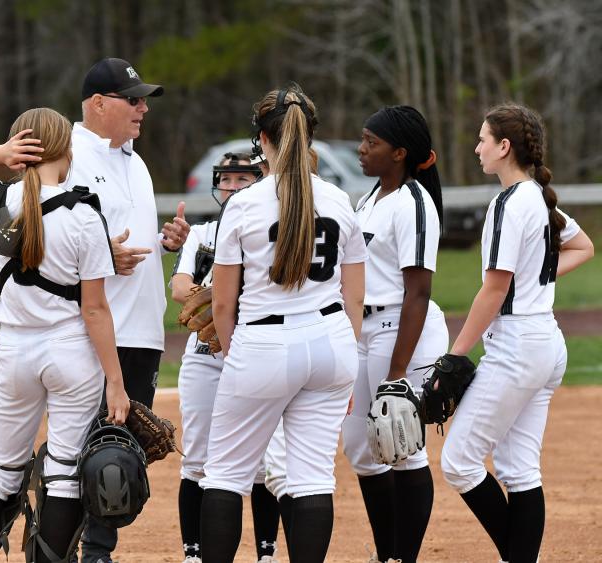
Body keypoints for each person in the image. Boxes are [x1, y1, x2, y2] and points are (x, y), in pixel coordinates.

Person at [0, 107, 130, 563]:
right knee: (65, 475)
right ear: (66, 151)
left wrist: (0, 154)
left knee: (0, 473)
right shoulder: (86, 213)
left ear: (21, 152)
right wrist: (116, 380)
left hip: (14, 350)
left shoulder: (1, 202)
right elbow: (95, 309)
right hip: (70, 352)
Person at [198, 84, 367, 563]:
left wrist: (236, 358)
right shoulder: (338, 199)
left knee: (227, 475)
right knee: (312, 476)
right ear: (309, 138)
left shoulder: (245, 204)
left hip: (264, 340)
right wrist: (348, 357)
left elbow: (224, 304)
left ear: (263, 141)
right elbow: (353, 294)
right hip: (332, 341)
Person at [440, 103, 594, 563]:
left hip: (519, 348)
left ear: (504, 147)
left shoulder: (510, 203)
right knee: (520, 470)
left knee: (459, 462)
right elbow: (583, 247)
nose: (477, 147)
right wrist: (539, 278)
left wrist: (455, 355)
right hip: (546, 343)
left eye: (483, 139)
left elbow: (494, 288)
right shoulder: (538, 199)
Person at [62, 57, 190, 563]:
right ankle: (59, 548)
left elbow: (129, 245)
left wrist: (165, 243)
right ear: (98, 104)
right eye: (132, 98)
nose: (142, 107)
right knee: (81, 452)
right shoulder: (66, 154)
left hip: (141, 329)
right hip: (91, 326)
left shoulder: (134, 161)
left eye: (144, 99)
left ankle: (97, 552)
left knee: (119, 455)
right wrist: (95, 256)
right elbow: (38, 234)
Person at [339, 105, 449, 563]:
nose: (362, 150)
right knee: (361, 449)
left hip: (400, 329)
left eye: (372, 142)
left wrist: (399, 373)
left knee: (400, 442)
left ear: (400, 153)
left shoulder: (414, 203)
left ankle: (405, 557)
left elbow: (419, 292)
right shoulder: (370, 198)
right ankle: (388, 555)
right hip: (364, 329)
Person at [172, 153, 281, 563]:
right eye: (227, 179)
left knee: (261, 461)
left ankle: (266, 553)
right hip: (206, 354)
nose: (233, 186)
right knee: (198, 458)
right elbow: (181, 288)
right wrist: (222, 292)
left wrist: (220, 292)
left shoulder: (267, 229)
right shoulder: (202, 233)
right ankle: (193, 553)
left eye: (244, 178)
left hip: (255, 351)